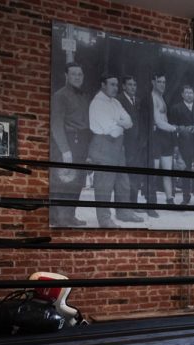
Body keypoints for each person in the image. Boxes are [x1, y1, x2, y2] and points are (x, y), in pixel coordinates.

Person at [88, 73, 140, 228]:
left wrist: (117, 122)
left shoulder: (116, 102)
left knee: (123, 181)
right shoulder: (97, 103)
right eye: (112, 84)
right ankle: (104, 219)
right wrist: (120, 123)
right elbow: (113, 131)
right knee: (104, 183)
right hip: (103, 145)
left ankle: (124, 212)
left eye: (116, 85)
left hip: (118, 146)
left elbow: (129, 122)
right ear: (103, 85)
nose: (115, 87)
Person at [50, 62, 90, 227]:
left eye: (80, 74)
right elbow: (56, 124)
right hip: (67, 142)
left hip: (80, 142)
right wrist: (65, 150)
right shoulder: (60, 96)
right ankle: (61, 218)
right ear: (66, 76)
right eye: (73, 74)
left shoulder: (82, 96)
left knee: (77, 181)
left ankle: (69, 216)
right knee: (64, 180)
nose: (77, 77)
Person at [118, 76, 157, 218]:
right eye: (129, 84)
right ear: (123, 86)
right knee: (125, 177)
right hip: (124, 144)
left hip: (138, 145)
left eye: (134, 85)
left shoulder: (139, 101)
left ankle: (132, 204)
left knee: (135, 175)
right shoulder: (118, 100)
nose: (133, 87)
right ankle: (124, 207)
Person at [169, 84, 194, 206]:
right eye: (186, 93)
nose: (189, 95)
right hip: (183, 145)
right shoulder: (176, 108)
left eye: (191, 93)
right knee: (185, 170)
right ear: (182, 95)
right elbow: (173, 129)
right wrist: (175, 146)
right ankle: (186, 197)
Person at [149, 73, 180, 206]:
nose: (162, 84)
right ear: (153, 82)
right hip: (156, 136)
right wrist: (174, 128)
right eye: (160, 82)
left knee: (167, 170)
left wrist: (172, 131)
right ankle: (151, 200)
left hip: (166, 137)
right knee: (154, 172)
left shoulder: (161, 97)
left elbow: (164, 119)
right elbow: (158, 121)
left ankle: (169, 199)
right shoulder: (152, 98)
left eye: (164, 82)